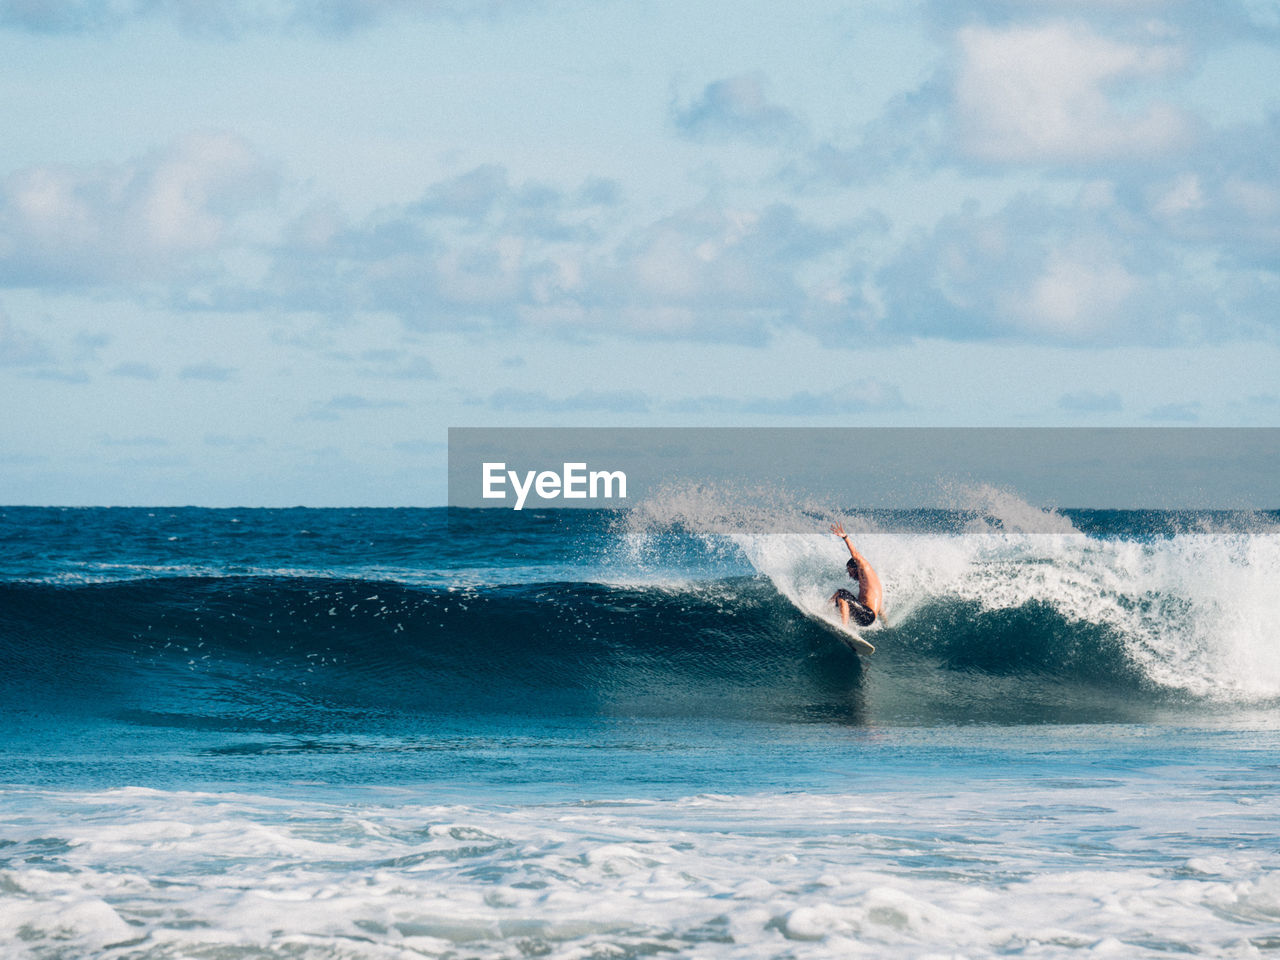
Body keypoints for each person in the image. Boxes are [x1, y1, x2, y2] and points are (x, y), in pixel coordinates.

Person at [829, 522, 883, 628]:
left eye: (850, 571)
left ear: (856, 567)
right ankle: (824, 611)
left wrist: (845, 537)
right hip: (865, 614)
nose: (849, 575)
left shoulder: (865, 568)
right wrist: (886, 622)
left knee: (842, 594)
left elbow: (856, 555)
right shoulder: (866, 584)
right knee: (839, 593)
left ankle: (844, 628)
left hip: (867, 615)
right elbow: (879, 606)